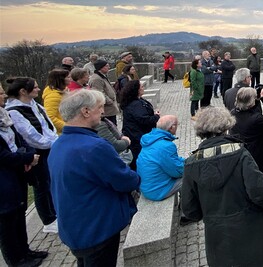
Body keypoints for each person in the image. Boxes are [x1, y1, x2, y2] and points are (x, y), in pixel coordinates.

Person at [48, 89, 140, 267]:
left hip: (75, 227)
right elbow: (125, 181)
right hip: (98, 228)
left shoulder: (58, 144)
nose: (103, 112)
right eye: (99, 107)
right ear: (85, 111)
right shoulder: (95, 147)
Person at [182, 107, 263, 267]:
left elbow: (190, 210)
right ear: (226, 127)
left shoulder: (191, 163)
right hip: (250, 232)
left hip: (218, 241)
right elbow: (260, 194)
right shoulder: (240, 154)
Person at [0, 83, 47, 267]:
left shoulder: (4, 116)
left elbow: (18, 138)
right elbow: (2, 155)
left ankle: (25, 251)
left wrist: (29, 154)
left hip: (17, 172)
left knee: (19, 214)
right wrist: (27, 157)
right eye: (1, 94)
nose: (4, 96)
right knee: (7, 221)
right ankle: (15, 260)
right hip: (4, 178)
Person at [5, 78, 58, 235]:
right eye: (34, 87)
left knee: (49, 182)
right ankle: (48, 220)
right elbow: (29, 134)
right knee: (41, 185)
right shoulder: (14, 111)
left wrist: (54, 140)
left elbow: (47, 125)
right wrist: (49, 144)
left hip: (49, 147)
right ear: (23, 91)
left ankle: (54, 212)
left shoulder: (35, 105)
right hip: (37, 151)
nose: (38, 89)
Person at [137, 115, 184, 201]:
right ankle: (189, 210)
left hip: (147, 187)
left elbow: (170, 161)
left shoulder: (150, 139)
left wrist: (184, 161)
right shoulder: (166, 146)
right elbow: (177, 171)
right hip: (158, 190)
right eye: (177, 125)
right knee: (190, 176)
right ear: (171, 127)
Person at [121, 80, 160, 170]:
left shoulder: (137, 101)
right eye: (141, 87)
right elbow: (143, 119)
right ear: (136, 90)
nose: (143, 88)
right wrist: (156, 117)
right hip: (137, 137)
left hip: (137, 135)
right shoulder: (135, 104)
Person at [88, 60, 119, 125]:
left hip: (110, 110)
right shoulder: (97, 79)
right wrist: (109, 101)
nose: (109, 67)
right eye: (106, 66)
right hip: (106, 111)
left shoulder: (102, 76)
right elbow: (99, 93)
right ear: (101, 67)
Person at [42, 69, 70, 134]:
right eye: (68, 77)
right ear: (60, 79)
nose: (70, 79)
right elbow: (50, 117)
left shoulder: (64, 92)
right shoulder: (53, 96)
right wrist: (67, 127)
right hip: (60, 133)